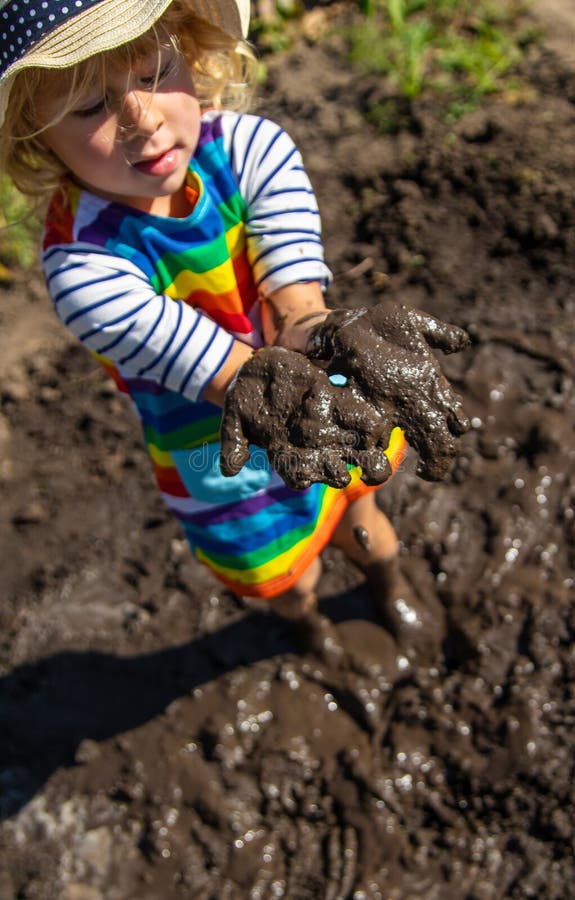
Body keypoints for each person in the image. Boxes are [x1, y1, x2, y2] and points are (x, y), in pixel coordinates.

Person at [0, 0, 469, 666]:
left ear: (191, 53)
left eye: (155, 71)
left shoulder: (252, 149)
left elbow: (297, 303)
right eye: (88, 108)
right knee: (284, 572)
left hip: (309, 392)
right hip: (218, 450)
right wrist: (294, 369)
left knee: (359, 515)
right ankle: (308, 626)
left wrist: (324, 330)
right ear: (33, 135)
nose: (142, 118)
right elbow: (232, 374)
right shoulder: (84, 268)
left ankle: (386, 582)